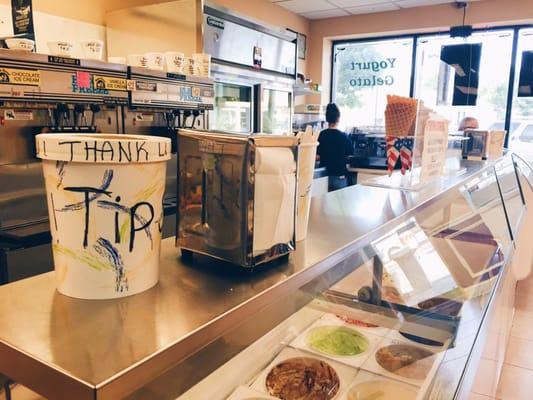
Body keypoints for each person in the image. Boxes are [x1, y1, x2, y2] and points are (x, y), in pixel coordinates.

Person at [317, 103, 353, 191]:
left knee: (323, 203)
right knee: (339, 203)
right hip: (339, 176)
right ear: (338, 119)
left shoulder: (322, 135)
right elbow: (350, 154)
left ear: (327, 119)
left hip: (324, 176)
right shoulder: (343, 136)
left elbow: (317, 156)